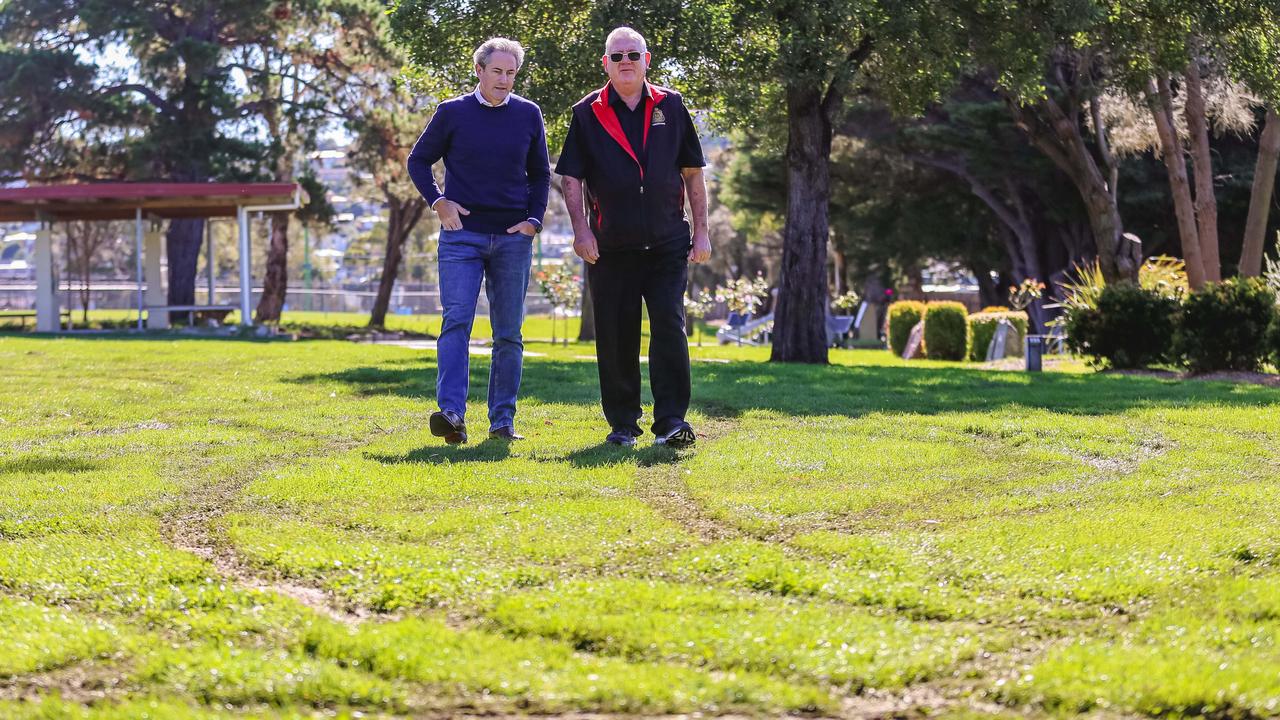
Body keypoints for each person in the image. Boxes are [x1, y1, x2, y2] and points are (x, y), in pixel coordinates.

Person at [556, 26, 711, 448]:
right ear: (605, 63)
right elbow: (571, 177)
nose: (626, 61)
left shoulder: (672, 106)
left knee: (669, 327)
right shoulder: (586, 112)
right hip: (610, 247)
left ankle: (673, 423)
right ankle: (623, 424)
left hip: (667, 244)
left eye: (633, 54)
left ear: (647, 60)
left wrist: (702, 233)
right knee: (615, 335)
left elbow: (693, 173)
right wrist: (581, 231)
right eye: (617, 55)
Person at [407, 37, 551, 444]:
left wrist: (533, 221)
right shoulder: (452, 113)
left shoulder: (528, 114)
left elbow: (540, 174)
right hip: (461, 238)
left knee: (509, 333)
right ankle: (452, 413)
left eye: (511, 73)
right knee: (457, 323)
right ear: (479, 71)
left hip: (512, 239)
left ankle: (502, 421)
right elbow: (418, 160)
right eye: (497, 71)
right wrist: (439, 202)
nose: (504, 80)